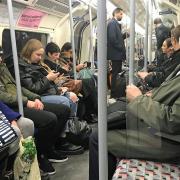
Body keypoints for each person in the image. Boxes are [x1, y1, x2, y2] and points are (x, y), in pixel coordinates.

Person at [89, 25, 180, 180]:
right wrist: (152, 95)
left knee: (99, 138)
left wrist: (139, 99)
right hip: (162, 132)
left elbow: (173, 121)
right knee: (113, 119)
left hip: (168, 142)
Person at [0, 47, 84, 175]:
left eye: (1, 55)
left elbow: (18, 88)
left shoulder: (3, 68)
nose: (1, 59)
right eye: (37, 54)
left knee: (64, 110)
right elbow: (4, 96)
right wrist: (26, 101)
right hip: (11, 106)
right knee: (49, 119)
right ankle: (41, 154)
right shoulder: (19, 67)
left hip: (23, 99)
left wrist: (35, 98)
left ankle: (49, 147)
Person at [17, 39, 78, 117]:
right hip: (37, 96)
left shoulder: (37, 64)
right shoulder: (22, 67)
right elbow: (32, 88)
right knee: (64, 101)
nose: (40, 58)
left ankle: (71, 124)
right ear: (29, 53)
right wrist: (48, 78)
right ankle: (66, 126)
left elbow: (45, 83)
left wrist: (58, 89)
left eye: (41, 55)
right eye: (38, 55)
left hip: (47, 91)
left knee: (73, 98)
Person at [107, 7, 127, 98]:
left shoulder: (115, 24)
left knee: (117, 73)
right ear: (116, 13)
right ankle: (114, 94)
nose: (122, 16)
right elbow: (112, 39)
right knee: (115, 75)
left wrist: (125, 35)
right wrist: (121, 48)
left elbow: (117, 38)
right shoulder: (112, 23)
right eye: (121, 14)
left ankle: (116, 93)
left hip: (117, 54)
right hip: (116, 54)